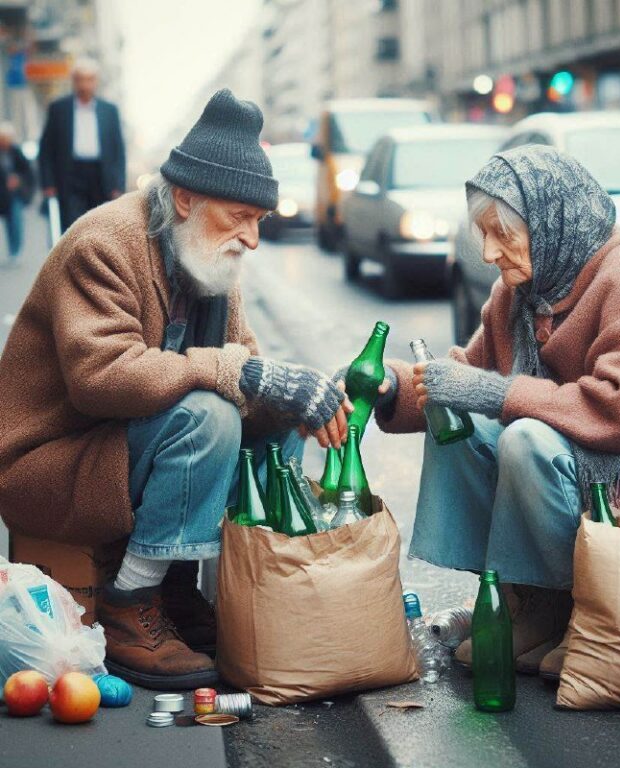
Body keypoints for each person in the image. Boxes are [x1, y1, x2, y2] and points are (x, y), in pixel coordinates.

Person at [0, 90, 350, 689]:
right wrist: (239, 374)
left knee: (274, 418)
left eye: (259, 221)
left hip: (116, 450)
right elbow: (101, 380)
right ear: (186, 199)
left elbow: (247, 372)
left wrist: (297, 391)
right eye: (240, 216)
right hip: (49, 461)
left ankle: (192, 590)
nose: (253, 238)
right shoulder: (104, 243)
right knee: (208, 415)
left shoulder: (209, 261)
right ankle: (129, 603)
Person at [361, 145, 620, 680]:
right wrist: (390, 385)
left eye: (502, 233)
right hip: (591, 466)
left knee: (525, 438)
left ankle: (586, 615)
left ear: (550, 222)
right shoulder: (518, 292)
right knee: (464, 428)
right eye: (483, 234)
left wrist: (496, 393)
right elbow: (468, 375)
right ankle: (525, 601)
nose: (489, 251)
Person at [37, 57, 126, 231]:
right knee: (72, 227)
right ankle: (74, 258)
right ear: (73, 82)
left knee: (100, 226)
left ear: (96, 81)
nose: (85, 85)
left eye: (89, 79)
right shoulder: (58, 109)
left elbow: (118, 150)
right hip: (69, 176)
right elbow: (46, 149)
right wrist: (48, 183)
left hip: (101, 177)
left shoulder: (109, 110)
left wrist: (118, 185)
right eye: (80, 79)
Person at [0, 122, 34, 265]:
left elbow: (28, 171)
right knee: (8, 224)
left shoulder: (16, 151)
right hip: (2, 194)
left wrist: (18, 179)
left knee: (15, 222)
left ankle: (15, 251)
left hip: (14, 195)